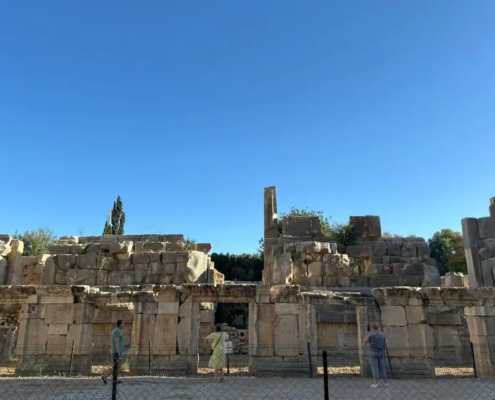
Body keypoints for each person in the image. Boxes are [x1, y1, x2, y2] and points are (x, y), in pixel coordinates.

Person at [101, 320, 126, 385]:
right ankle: (106, 377)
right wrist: (118, 352)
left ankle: (113, 379)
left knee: (117, 367)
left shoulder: (118, 331)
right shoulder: (117, 331)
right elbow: (116, 342)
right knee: (116, 366)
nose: (124, 325)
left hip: (117, 352)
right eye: (123, 324)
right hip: (116, 352)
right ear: (120, 324)